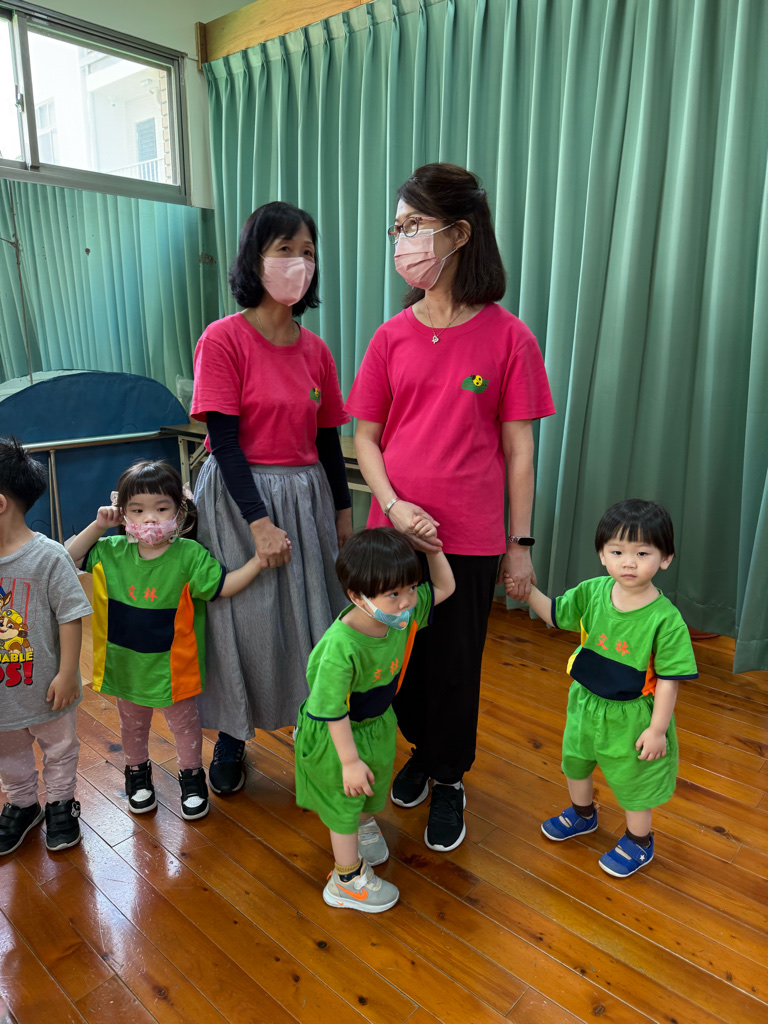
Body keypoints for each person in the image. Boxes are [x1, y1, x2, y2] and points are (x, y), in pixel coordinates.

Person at [346, 163, 555, 852]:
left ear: (460, 234)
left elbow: (519, 452)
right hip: (393, 536)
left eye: (414, 225)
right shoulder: (390, 337)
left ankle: (449, 776)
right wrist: (393, 505)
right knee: (396, 662)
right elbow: (366, 438)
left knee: (454, 667)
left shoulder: (509, 338)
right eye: (397, 228)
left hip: (469, 537)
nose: (402, 240)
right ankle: (421, 750)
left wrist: (519, 546)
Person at [191, 201, 352, 795]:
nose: (299, 262)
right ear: (254, 259)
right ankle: (232, 735)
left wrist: (343, 515)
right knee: (242, 620)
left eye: (307, 252)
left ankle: (320, 729)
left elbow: (328, 441)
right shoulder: (223, 339)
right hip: (240, 499)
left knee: (312, 617)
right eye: (285, 249)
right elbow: (224, 443)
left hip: (306, 496)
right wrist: (258, 523)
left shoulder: (317, 351)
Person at [508, 499, 698, 877]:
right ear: (602, 555)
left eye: (642, 553)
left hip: (631, 717)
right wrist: (526, 591)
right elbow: (556, 614)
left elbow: (669, 681)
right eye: (617, 552)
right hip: (584, 703)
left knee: (634, 781)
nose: (629, 562)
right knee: (575, 762)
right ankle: (583, 815)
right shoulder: (593, 591)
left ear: (665, 559)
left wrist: (657, 729)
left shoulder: (666, 620)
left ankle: (639, 841)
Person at [68, 460, 262, 822]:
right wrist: (98, 525)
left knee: (185, 726)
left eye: (161, 508)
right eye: (137, 510)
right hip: (125, 666)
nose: (149, 519)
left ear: (179, 511)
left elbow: (222, 586)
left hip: (175, 668)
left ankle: (192, 778)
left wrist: (258, 563)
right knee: (132, 726)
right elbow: (69, 558)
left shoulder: (189, 555)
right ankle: (137, 774)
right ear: (123, 513)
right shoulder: (111, 550)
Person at [295, 526, 455, 911]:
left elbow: (445, 587)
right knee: (344, 802)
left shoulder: (402, 614)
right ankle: (346, 880)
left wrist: (433, 549)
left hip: (376, 723)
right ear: (357, 596)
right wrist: (349, 761)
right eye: (394, 594)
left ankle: (364, 824)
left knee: (373, 785)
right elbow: (332, 709)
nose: (407, 601)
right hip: (337, 734)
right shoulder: (340, 647)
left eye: (411, 587)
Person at [0, 437, 92, 855]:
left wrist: (68, 672)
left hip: (47, 688)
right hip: (4, 695)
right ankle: (23, 804)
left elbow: (70, 615)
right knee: (8, 754)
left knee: (60, 749)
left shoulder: (49, 556)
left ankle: (60, 804)